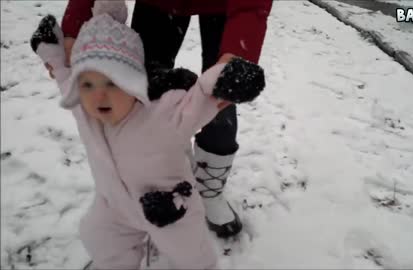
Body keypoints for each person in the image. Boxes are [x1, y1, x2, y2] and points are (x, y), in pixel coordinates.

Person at [30, 1, 265, 268]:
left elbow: (203, 98)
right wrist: (66, 38)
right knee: (145, 83)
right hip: (160, 3)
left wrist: (227, 76)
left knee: (220, 103)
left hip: (225, 7)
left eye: (111, 83)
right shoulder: (88, 110)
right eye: (87, 85)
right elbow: (68, 76)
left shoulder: (158, 116)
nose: (98, 95)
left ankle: (207, 189)